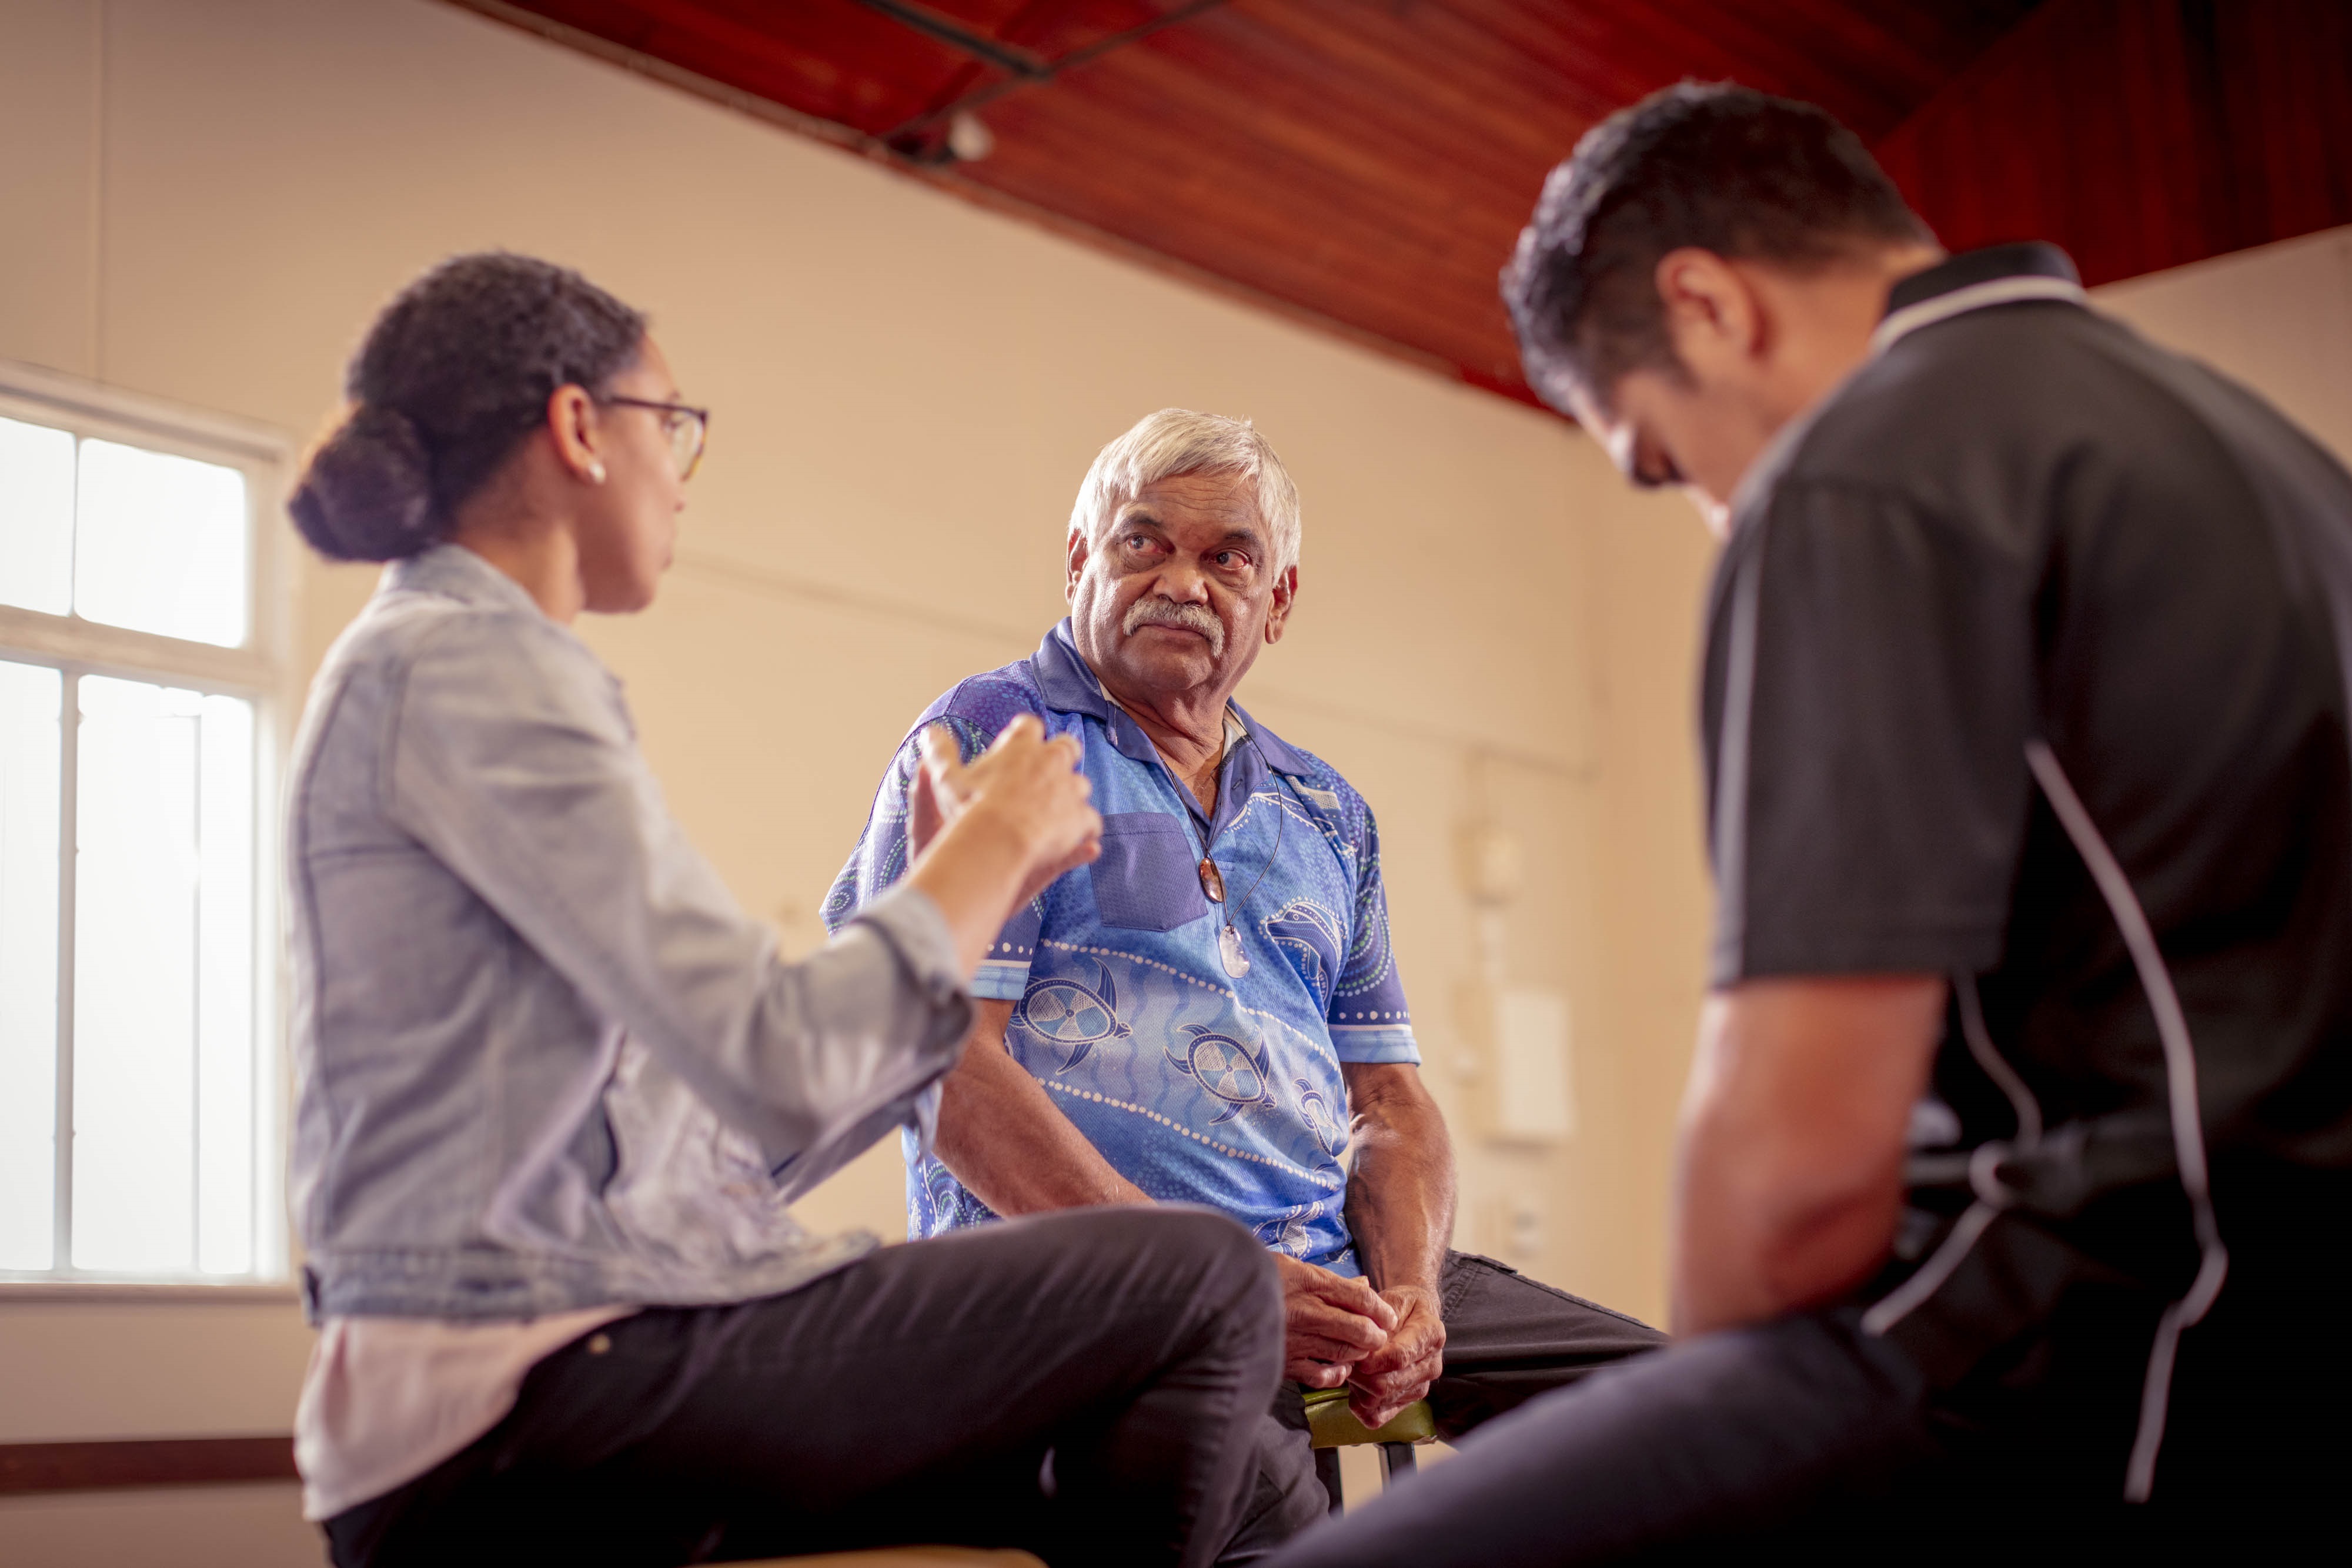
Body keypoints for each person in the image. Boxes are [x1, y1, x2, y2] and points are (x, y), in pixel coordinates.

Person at [1268, 83, 2352, 1565]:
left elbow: (1792, 1173)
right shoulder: (2268, 455)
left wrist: (1707, 1455)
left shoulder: (1863, 470)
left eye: (1660, 458)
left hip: (2088, 1345)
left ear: (1706, 305)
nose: (1712, 511)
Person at [283, 252, 1288, 1568]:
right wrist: (974, 864)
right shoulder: (468, 666)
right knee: (1202, 1274)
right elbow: (779, 1056)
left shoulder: (458, 661)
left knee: (1265, 1478)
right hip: (525, 1385)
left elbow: (744, 1105)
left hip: (585, 1338)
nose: (680, 476)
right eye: (670, 426)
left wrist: (962, 903)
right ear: (581, 429)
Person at [824, 408, 1666, 1543]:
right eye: (1142, 542)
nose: (1183, 579)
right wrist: (1210, 1276)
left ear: (1278, 601)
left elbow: (1390, 1098)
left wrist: (1410, 1293)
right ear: (1081, 561)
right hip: (1098, 1297)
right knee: (1262, 1498)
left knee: (1683, 1419)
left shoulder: (1327, 811)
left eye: (1229, 557)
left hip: (1331, 1276)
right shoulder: (996, 735)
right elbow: (940, 1063)